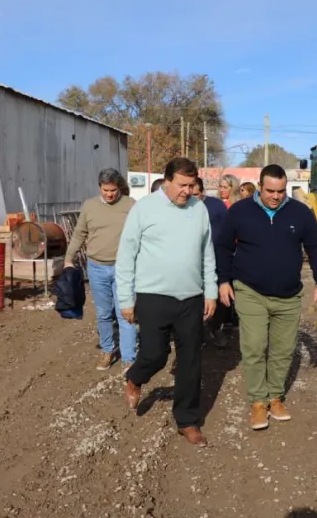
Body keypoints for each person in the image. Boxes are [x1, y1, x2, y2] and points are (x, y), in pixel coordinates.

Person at [216, 164, 317, 430]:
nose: (275, 196)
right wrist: (223, 280)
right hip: (250, 290)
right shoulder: (241, 211)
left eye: (281, 191)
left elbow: (316, 248)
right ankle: (258, 402)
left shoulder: (300, 213)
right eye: (270, 191)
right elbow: (222, 246)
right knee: (254, 346)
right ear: (260, 185)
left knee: (283, 349)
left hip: (288, 295)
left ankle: (275, 397)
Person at [116, 157, 217, 447]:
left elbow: (207, 253)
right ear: (168, 181)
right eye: (182, 185)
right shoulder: (144, 208)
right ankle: (136, 377)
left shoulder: (200, 210)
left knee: (190, 361)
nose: (188, 191)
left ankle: (187, 420)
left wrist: (209, 291)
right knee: (155, 354)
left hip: (191, 297)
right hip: (153, 296)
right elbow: (126, 256)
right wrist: (126, 299)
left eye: (192, 185)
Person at [64, 168, 137, 371]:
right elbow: (79, 234)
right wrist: (68, 258)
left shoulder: (130, 205)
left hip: (123, 268)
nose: (110, 194)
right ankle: (107, 350)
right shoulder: (90, 206)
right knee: (104, 313)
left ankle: (129, 358)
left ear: (119, 187)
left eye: (113, 190)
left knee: (126, 313)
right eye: (106, 190)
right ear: (100, 187)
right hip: (96, 267)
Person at [192, 176, 232, 347]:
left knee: (217, 296)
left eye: (196, 194)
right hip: (191, 263)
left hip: (214, 259)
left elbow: (228, 231)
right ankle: (197, 334)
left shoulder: (216, 206)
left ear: (203, 192)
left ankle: (216, 328)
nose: (192, 198)